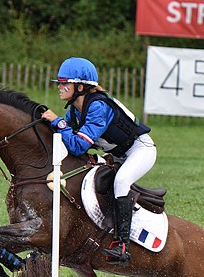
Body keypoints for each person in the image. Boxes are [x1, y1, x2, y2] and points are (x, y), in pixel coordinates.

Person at [41, 57, 155, 265]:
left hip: (140, 150)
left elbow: (77, 146)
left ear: (81, 86)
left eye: (65, 83)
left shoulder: (98, 107)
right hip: (117, 154)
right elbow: (69, 139)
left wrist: (58, 122)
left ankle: (122, 247)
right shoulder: (75, 110)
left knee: (121, 181)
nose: (60, 87)